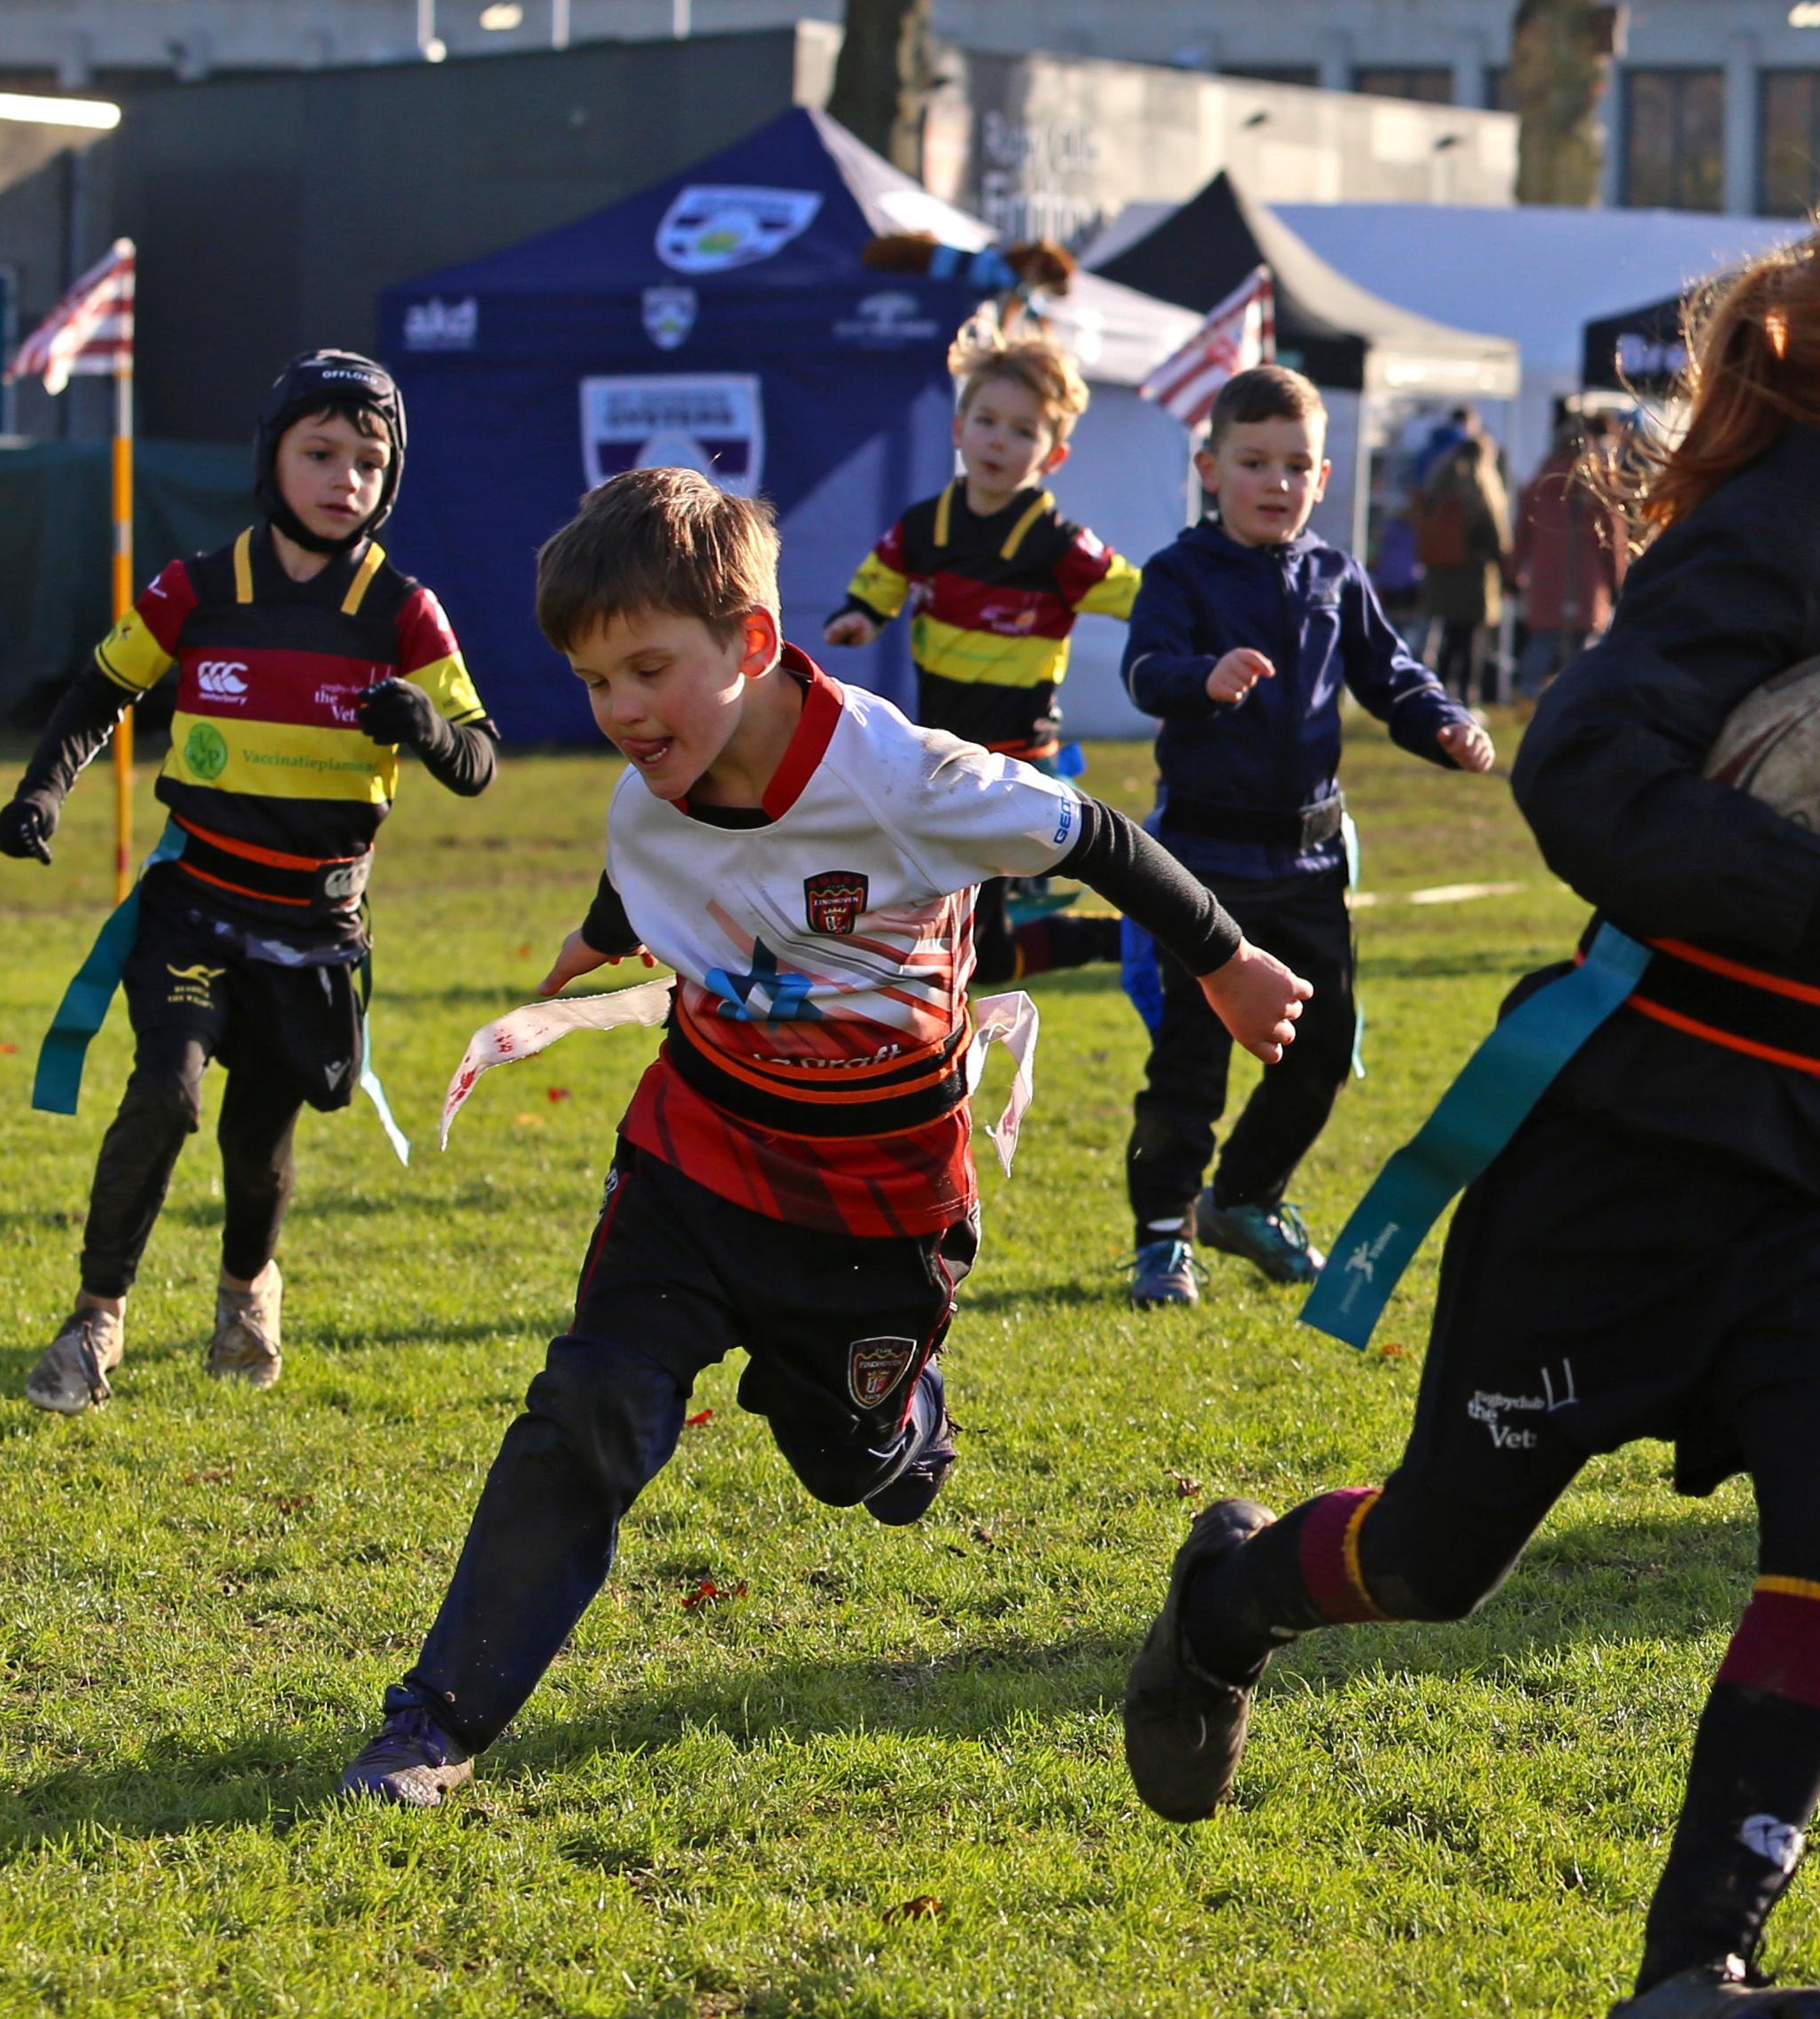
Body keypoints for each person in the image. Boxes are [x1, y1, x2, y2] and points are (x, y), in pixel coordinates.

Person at [1116, 166, 1820, 2019]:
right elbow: (1577, 770)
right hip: (1639, 1151)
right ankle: (1229, 1594)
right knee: (1434, 1559)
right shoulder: (1760, 554)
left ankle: (1695, 1972)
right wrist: (1805, 889)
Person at [336, 465, 1305, 1806]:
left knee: (850, 1465)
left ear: (747, 641)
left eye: (647, 670)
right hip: (696, 1155)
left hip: (876, 1201)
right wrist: (597, 938)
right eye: (593, 679)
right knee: (587, 1410)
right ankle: (435, 1718)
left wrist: (1227, 958)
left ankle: (904, 1420)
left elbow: (1092, 831)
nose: (619, 710)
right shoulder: (644, 791)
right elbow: (647, 865)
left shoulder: (902, 776)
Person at [0, 352, 498, 1414]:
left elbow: (481, 758)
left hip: (313, 930)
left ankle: (245, 1291)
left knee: (260, 1142)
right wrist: (43, 792)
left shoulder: (404, 612)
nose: (344, 478)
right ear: (272, 458)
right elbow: (99, 691)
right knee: (165, 1095)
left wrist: (431, 727)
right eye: (320, 452)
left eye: (369, 461)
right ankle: (95, 1321)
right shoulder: (197, 586)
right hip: (194, 904)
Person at [1118, 365, 1497, 1307]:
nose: (1276, 482)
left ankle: (1243, 1198)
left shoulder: (1335, 573)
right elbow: (1143, 670)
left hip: (1311, 863)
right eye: (1254, 462)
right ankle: (1162, 1238)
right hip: (1203, 865)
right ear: (1211, 468)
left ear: (1325, 479)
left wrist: (1443, 722)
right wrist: (1199, 677)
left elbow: (1392, 673)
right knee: (1192, 1059)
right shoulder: (1178, 573)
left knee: (1320, 1046)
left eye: (1297, 465)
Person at [825, 323, 1145, 979]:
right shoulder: (925, 526)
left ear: (1053, 455)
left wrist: (1201, 606)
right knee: (971, 937)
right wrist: (860, 615)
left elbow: (1142, 595)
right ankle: (1115, 942)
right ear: (958, 427)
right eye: (988, 420)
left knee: (979, 934)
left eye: (1024, 430)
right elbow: (882, 574)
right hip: (937, 757)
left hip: (1018, 761)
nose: (1001, 439)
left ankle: (1121, 940)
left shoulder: (1060, 546)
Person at [1513, 400, 1631, 699]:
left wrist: (1512, 572)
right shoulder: (1598, 483)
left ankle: (1527, 696)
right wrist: (1618, 581)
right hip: (1587, 578)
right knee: (1584, 648)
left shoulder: (1540, 482)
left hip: (1545, 577)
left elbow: (1521, 533)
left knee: (1542, 641)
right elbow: (1612, 539)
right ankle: (1578, 700)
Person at [1416, 418, 1516, 701]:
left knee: (1448, 635)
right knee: (1472, 639)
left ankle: (1440, 692)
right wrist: (1507, 568)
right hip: (1474, 572)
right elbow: (1496, 532)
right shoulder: (1482, 482)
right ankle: (1466, 695)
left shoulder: (1440, 477)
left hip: (1442, 569)